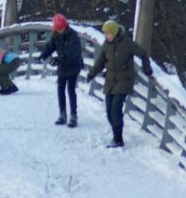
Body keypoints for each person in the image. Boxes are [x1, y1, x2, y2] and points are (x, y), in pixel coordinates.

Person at [86, 20, 153, 148]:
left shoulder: (127, 43)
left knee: (116, 109)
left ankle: (118, 140)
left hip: (124, 80)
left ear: (115, 33)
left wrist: (147, 68)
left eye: (109, 33)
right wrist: (91, 75)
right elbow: (100, 62)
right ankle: (116, 134)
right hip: (110, 80)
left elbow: (143, 54)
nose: (106, 35)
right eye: (105, 33)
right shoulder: (106, 45)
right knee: (109, 111)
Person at [39, 13, 83, 128]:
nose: (59, 31)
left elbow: (74, 52)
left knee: (71, 89)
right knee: (60, 88)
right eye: (57, 29)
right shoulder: (56, 35)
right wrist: (43, 55)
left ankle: (73, 115)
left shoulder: (73, 35)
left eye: (61, 29)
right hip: (62, 66)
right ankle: (62, 114)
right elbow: (50, 46)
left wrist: (60, 58)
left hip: (73, 65)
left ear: (65, 26)